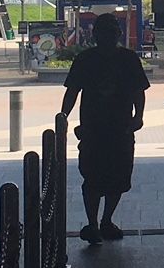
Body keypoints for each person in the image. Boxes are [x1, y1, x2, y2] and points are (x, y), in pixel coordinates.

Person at [59, 14, 148, 243]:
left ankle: (99, 221)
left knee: (107, 176)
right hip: (104, 127)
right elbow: (138, 90)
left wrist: (64, 116)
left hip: (108, 127)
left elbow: (72, 91)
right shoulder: (122, 59)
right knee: (99, 175)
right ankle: (98, 222)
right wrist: (63, 116)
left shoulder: (88, 59)